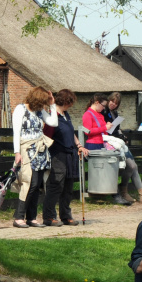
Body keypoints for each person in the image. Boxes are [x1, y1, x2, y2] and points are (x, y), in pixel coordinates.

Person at [12, 85, 57, 228]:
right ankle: (19, 217)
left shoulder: (39, 111)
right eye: (42, 102)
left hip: (40, 150)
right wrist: (17, 152)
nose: (43, 105)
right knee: (29, 182)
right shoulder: (21, 109)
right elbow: (16, 132)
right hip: (27, 150)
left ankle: (31, 217)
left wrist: (52, 105)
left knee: (37, 185)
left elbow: (53, 122)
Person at [44, 89, 86, 226]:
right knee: (56, 185)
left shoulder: (66, 115)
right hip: (57, 153)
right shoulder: (53, 115)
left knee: (68, 186)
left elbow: (71, 132)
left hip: (70, 153)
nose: (71, 105)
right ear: (65, 101)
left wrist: (79, 145)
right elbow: (47, 135)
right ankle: (49, 216)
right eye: (70, 102)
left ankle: (66, 215)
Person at [104, 92, 142, 204]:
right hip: (111, 143)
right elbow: (106, 130)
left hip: (119, 142)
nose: (113, 104)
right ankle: (124, 191)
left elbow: (117, 129)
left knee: (133, 166)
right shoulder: (104, 112)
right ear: (109, 100)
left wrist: (123, 136)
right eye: (112, 101)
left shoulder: (115, 113)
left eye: (116, 103)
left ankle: (141, 193)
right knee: (131, 166)